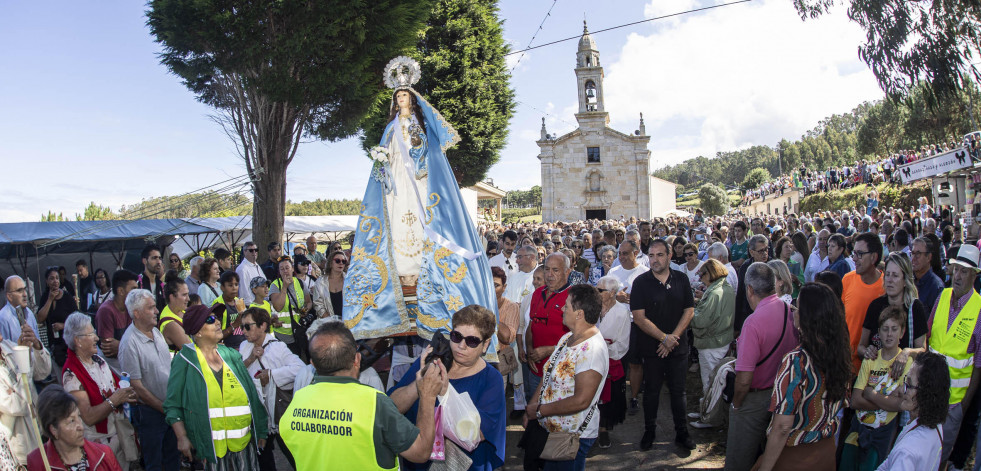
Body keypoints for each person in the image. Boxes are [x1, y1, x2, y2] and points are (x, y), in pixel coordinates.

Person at [343, 63, 496, 340]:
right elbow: (385, 152)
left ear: (412, 99)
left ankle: (418, 272)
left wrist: (416, 147)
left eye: (405, 96)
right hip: (396, 182)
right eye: (397, 97)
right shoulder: (390, 127)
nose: (401, 100)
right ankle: (400, 273)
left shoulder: (417, 125)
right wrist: (382, 159)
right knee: (396, 217)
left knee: (418, 216)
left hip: (415, 180)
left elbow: (425, 153)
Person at [281, 321, 444, 469]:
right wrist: (427, 396)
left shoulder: (297, 403)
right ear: (357, 359)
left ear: (313, 364)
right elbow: (421, 452)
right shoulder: (373, 403)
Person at [390, 305, 507, 470]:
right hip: (418, 463)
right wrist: (418, 385)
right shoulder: (433, 361)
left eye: (472, 341)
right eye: (457, 336)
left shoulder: (491, 379)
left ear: (485, 344)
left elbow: (473, 436)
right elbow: (391, 407)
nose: (462, 345)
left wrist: (446, 393)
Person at [752, 283, 850, 471]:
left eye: (798, 307)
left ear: (807, 317)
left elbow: (782, 426)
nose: (794, 311)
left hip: (795, 457)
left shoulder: (797, 361)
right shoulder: (841, 355)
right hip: (826, 452)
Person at [164, 304, 268, 470]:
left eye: (217, 318)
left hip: (243, 446)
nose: (218, 322)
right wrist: (182, 436)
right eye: (211, 319)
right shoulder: (184, 360)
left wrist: (261, 429)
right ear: (197, 331)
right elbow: (172, 405)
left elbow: (251, 394)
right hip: (210, 451)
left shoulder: (232, 355)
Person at [523, 285, 608, 470]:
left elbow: (581, 400)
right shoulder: (567, 338)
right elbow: (549, 375)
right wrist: (533, 406)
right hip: (553, 431)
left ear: (579, 314)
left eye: (566, 306)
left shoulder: (592, 350)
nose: (561, 309)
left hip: (572, 437)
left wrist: (540, 410)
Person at [725, 262, 800, 471]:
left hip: (755, 398)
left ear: (749, 289)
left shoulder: (753, 322)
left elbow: (744, 380)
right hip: (782, 395)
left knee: (739, 458)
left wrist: (737, 405)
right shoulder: (788, 309)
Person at [630, 239, 696, 451]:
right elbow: (639, 317)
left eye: (659, 255)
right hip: (652, 349)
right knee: (651, 392)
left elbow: (689, 310)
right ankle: (649, 431)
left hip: (677, 347)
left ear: (669, 256)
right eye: (651, 255)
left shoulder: (682, 279)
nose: (654, 260)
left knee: (679, 392)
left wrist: (672, 338)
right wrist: (662, 338)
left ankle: (682, 433)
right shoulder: (641, 282)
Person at [925, 244, 981, 464]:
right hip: (929, 394)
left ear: (974, 275)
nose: (957, 275)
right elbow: (928, 336)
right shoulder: (943, 296)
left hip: (953, 404)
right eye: (956, 269)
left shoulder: (978, 308)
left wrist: (963, 405)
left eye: (964, 271)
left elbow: (979, 364)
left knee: (940, 457)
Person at [62, 312, 139, 469]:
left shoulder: (99, 361)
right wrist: (115, 400)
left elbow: (115, 388)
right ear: (78, 341)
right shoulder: (71, 374)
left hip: (118, 436)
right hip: (97, 446)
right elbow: (89, 417)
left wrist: (127, 394)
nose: (97, 338)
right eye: (91, 334)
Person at [840, 305, 911, 470]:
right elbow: (856, 401)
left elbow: (900, 405)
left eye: (894, 329)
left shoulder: (907, 363)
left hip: (882, 433)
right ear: (878, 332)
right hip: (858, 429)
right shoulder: (870, 358)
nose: (889, 334)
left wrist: (871, 394)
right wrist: (887, 402)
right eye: (885, 329)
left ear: (902, 332)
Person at [118, 289, 180, 471]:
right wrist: (163, 408)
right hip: (149, 414)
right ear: (136, 313)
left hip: (168, 408)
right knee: (155, 463)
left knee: (173, 459)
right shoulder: (129, 343)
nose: (156, 311)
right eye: (151, 308)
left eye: (155, 307)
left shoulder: (156, 332)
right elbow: (136, 387)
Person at [238, 307, 304, 470]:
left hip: (279, 412)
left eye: (248, 326)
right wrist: (251, 358)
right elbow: (237, 372)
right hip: (259, 416)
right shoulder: (244, 347)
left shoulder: (278, 347)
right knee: (264, 462)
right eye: (242, 327)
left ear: (262, 326)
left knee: (294, 456)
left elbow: (300, 368)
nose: (244, 331)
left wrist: (272, 374)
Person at [875, 352, 948, 470]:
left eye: (909, 385)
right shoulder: (936, 426)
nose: (901, 390)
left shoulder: (906, 453)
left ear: (925, 394)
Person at [27, 385, 124, 471]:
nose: (81, 427)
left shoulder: (104, 454)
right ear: (53, 430)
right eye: (71, 421)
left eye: (79, 416)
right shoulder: (37, 462)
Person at [857, 253, 927, 362]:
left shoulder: (915, 308)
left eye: (895, 275)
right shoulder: (875, 306)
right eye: (887, 274)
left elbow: (922, 349)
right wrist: (867, 351)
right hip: (876, 375)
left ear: (905, 280)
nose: (889, 280)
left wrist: (907, 352)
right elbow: (861, 347)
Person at [0, 316, 51, 465]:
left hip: (41, 433)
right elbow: (20, 405)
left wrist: (35, 345)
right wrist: (24, 363)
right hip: (21, 451)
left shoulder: (10, 346)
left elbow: (43, 372)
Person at [525, 253, 572, 411]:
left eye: (555, 270)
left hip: (561, 372)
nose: (549, 275)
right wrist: (530, 350)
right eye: (546, 269)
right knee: (533, 410)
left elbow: (580, 337)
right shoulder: (537, 294)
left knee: (554, 417)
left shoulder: (573, 297)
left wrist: (550, 350)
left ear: (567, 272)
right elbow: (531, 325)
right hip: (536, 369)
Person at [690, 259, 735, 418]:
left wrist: (688, 311)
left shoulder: (715, 293)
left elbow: (701, 320)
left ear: (711, 273)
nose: (701, 278)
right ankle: (706, 409)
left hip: (711, 343)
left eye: (702, 274)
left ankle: (710, 417)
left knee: (710, 382)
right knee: (713, 381)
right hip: (718, 340)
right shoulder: (723, 288)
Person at [595, 276, 631, 449]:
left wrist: (603, 349)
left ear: (611, 293)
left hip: (612, 360)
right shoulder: (592, 308)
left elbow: (623, 343)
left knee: (607, 398)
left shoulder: (622, 311)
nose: (596, 292)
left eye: (600, 290)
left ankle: (603, 429)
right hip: (591, 358)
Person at [842, 232, 885, 371]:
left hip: (874, 369)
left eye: (860, 254)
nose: (854, 258)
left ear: (873, 257)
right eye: (854, 253)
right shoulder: (847, 280)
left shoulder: (886, 287)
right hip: (846, 365)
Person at [95, 269, 139, 372]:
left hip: (126, 361)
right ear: (121, 291)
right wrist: (133, 346)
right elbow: (108, 350)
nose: (137, 293)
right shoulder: (106, 311)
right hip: (112, 368)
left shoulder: (132, 308)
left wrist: (120, 345)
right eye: (133, 289)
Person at [38, 266, 78, 367]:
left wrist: (63, 325)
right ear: (47, 281)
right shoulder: (45, 297)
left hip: (68, 343)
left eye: (57, 278)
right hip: (54, 343)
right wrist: (50, 299)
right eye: (52, 278)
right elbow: (40, 318)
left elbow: (77, 320)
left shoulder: (67, 297)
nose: (55, 281)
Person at [270, 256, 310, 356]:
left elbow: (309, 302)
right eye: (282, 269)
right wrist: (284, 287)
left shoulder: (300, 283)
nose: (285, 271)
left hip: (299, 332)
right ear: (279, 271)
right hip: (283, 335)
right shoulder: (275, 285)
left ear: (292, 268)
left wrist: (305, 310)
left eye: (287, 268)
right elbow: (278, 307)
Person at [735, 234, 770, 333]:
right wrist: (737, 326)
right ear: (752, 252)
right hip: (749, 313)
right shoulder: (745, 267)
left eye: (766, 249)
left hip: (769, 313)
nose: (765, 253)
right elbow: (740, 294)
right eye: (761, 251)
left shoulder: (772, 265)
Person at [0, 275, 41, 353]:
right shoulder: (3, 318)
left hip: (35, 363)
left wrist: (35, 342)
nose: (25, 294)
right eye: (19, 291)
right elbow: (5, 353)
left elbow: (38, 344)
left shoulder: (29, 313)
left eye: (25, 289)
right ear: (9, 296)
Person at [212, 271, 246, 350]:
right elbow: (216, 335)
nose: (234, 288)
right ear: (222, 287)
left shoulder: (239, 302)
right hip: (227, 349)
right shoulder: (218, 305)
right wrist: (235, 324)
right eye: (230, 285)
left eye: (236, 284)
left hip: (243, 346)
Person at [911, 236, 945, 310]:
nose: (914, 258)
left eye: (918, 253)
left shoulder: (936, 287)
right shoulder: (908, 281)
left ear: (928, 257)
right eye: (913, 253)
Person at [160, 276, 192, 353]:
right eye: (184, 295)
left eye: (188, 294)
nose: (188, 299)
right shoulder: (170, 324)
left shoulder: (181, 311)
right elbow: (191, 352)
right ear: (172, 297)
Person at [312, 249, 347, 318]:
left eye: (343, 261)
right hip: (328, 325)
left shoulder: (349, 280)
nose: (341, 263)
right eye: (337, 261)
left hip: (348, 323)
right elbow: (318, 305)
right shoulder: (320, 282)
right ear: (330, 263)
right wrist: (331, 321)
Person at [136, 245, 167, 311]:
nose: (158, 262)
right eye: (154, 258)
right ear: (145, 261)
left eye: (159, 258)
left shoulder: (161, 285)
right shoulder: (137, 283)